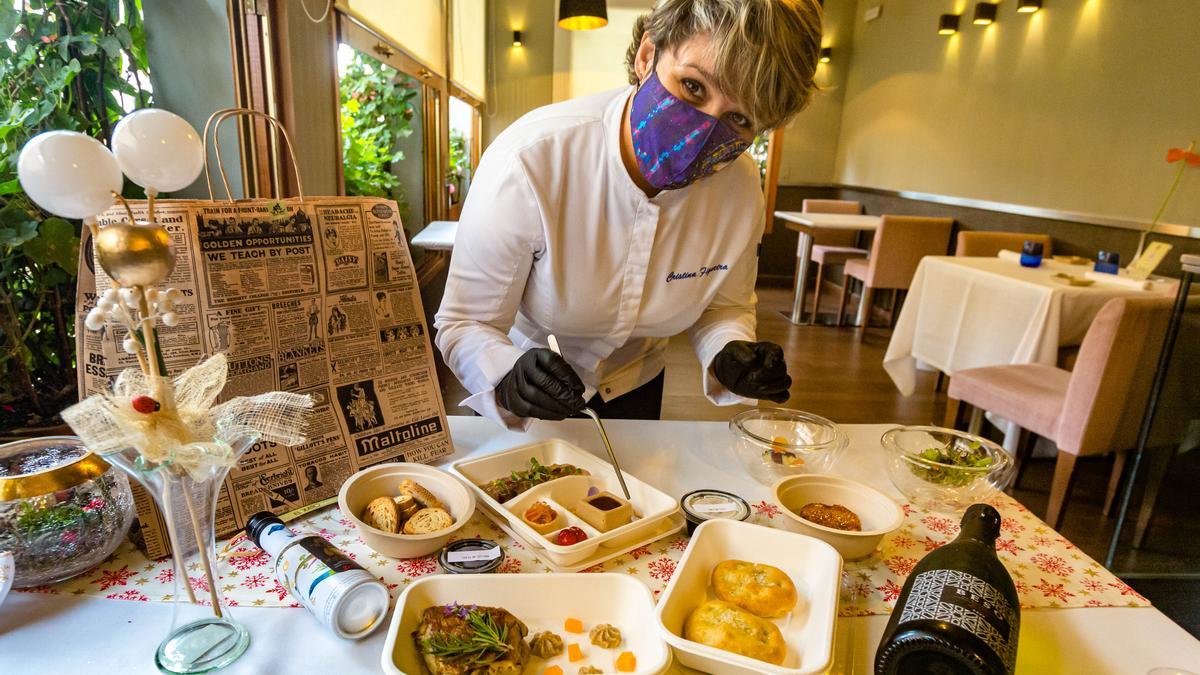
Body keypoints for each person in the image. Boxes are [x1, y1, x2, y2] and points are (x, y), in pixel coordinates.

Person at [435, 0, 822, 428]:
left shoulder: (740, 187)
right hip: (529, 395)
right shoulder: (530, 161)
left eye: (739, 118)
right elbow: (465, 322)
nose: (702, 131)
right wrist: (506, 375)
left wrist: (729, 351)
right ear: (646, 55)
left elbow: (723, 308)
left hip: (637, 389)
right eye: (693, 87)